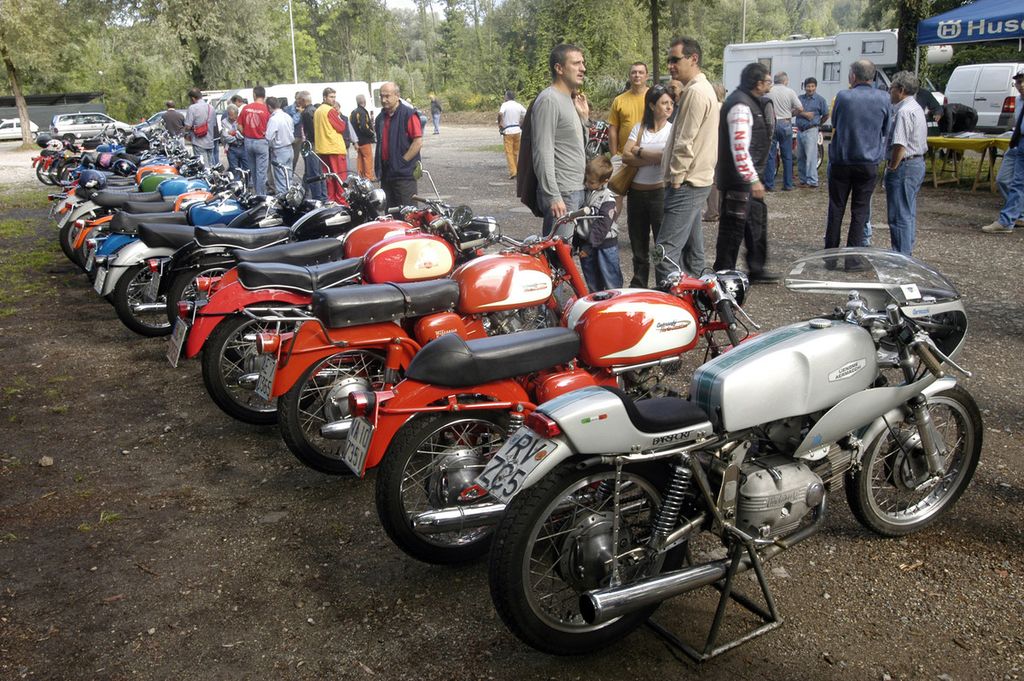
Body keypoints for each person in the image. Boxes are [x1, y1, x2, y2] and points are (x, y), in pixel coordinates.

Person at [655, 36, 720, 283]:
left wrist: (676, 178)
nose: (670, 65)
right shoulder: (701, 89)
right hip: (694, 181)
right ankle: (702, 300)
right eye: (669, 60)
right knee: (694, 256)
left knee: (663, 255)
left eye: (675, 60)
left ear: (693, 59)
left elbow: (685, 140)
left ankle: (667, 304)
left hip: (687, 183)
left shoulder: (695, 92)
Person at [713, 62, 778, 282]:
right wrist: (752, 179)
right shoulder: (740, 106)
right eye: (767, 80)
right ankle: (723, 274)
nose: (770, 84)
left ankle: (756, 269)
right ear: (758, 83)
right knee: (732, 230)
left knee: (756, 224)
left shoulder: (747, 101)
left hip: (746, 179)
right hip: (739, 181)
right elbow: (739, 147)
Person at [824, 60, 891, 250]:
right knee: (860, 211)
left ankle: (831, 252)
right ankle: (853, 255)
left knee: (836, 208)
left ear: (853, 76)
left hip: (842, 159)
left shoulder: (843, 96)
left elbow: (835, 122)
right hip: (868, 161)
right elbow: (886, 128)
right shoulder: (884, 98)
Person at [532, 43, 590, 236]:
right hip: (563, 193)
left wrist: (584, 119)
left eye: (583, 63)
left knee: (569, 250)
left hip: (576, 188)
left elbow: (578, 147)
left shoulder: (570, 99)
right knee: (558, 251)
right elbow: (542, 151)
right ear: (559, 68)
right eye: (576, 63)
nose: (583, 68)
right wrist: (553, 195)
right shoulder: (549, 99)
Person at [620, 84, 673, 287]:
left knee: (661, 243)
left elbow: (667, 158)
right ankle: (639, 283)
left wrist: (640, 152)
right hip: (636, 194)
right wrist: (654, 158)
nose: (669, 107)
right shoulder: (639, 128)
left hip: (660, 193)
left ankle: (662, 283)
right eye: (664, 103)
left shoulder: (672, 130)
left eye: (671, 103)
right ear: (652, 105)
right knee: (638, 242)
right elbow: (626, 156)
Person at [882, 71, 929, 255]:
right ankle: (906, 251)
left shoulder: (904, 112)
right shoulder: (916, 107)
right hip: (916, 163)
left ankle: (901, 256)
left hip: (905, 165)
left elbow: (900, 145)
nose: (890, 92)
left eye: (891, 88)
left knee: (899, 215)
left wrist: (892, 167)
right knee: (908, 212)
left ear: (901, 90)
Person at [982, 68, 1024, 233]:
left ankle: (1007, 220)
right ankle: (1017, 215)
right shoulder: (1018, 100)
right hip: (1017, 142)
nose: (1021, 85)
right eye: (1018, 82)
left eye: (1023, 81)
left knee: (1019, 183)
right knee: (1003, 179)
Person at [576, 155, 623, 292]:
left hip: (605, 245)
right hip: (586, 243)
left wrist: (588, 247)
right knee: (592, 282)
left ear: (605, 181)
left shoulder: (607, 198)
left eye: (591, 182)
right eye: (586, 180)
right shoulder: (585, 193)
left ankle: (615, 303)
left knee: (611, 282)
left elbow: (603, 226)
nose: (587, 184)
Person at [375, 82, 423, 209]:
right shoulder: (380, 118)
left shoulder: (409, 115)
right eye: (381, 96)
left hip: (404, 175)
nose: (383, 100)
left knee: (408, 213)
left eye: (387, 96)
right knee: (390, 213)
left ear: (397, 96)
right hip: (386, 174)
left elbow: (417, 142)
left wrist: (402, 162)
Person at [763, 72, 802, 191]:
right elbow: (800, 108)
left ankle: (769, 184)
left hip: (771, 123)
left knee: (771, 155)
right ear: (785, 80)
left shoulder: (768, 92)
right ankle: (788, 184)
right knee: (787, 155)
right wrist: (791, 114)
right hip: (785, 123)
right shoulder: (790, 92)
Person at [314, 88, 350, 204]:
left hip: (323, 149)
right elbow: (341, 127)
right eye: (331, 97)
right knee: (340, 178)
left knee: (329, 179)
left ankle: (332, 202)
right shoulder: (330, 111)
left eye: (334, 97)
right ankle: (342, 203)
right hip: (335, 148)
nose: (333, 99)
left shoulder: (318, 111)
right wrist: (338, 116)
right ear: (325, 97)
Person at [608, 63, 649, 164]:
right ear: (629, 76)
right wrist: (614, 156)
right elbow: (613, 129)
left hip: (647, 156)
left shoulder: (654, 98)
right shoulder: (619, 100)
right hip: (623, 157)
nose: (637, 75)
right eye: (634, 72)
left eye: (641, 72)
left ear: (647, 76)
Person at [796, 77, 829, 188]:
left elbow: (826, 114)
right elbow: (794, 111)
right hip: (800, 130)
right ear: (804, 87)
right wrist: (805, 114)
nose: (810, 89)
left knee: (811, 157)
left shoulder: (820, 100)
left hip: (811, 130)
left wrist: (818, 123)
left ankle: (812, 181)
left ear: (816, 87)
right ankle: (803, 180)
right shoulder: (799, 99)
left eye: (812, 86)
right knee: (800, 157)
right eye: (808, 86)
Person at [238, 86, 271, 194]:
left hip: (248, 141)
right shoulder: (266, 109)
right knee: (261, 172)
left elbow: (239, 125)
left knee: (253, 170)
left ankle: (256, 193)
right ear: (264, 96)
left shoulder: (246, 108)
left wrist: (245, 134)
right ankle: (261, 195)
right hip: (261, 142)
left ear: (254, 95)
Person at [266, 97, 296, 193]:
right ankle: (290, 195)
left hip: (279, 149)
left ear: (269, 107)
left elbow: (269, 137)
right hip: (289, 148)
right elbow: (292, 130)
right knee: (288, 176)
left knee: (280, 178)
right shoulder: (287, 116)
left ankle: (283, 197)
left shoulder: (274, 119)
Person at [300, 94, 325, 201]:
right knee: (320, 172)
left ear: (303, 100)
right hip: (319, 143)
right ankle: (323, 196)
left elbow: (311, 131)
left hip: (312, 144)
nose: (298, 103)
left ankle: (317, 197)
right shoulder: (315, 110)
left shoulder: (306, 113)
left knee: (313, 172)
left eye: (299, 100)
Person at [183, 87, 216, 166]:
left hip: (198, 142)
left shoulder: (192, 108)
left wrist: (186, 132)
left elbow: (188, 126)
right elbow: (214, 124)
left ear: (193, 98)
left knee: (203, 167)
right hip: (210, 142)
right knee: (211, 166)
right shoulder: (211, 108)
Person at [498, 90, 526, 180]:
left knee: (509, 152)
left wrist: (500, 122)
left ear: (507, 97)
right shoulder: (518, 105)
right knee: (516, 152)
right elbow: (525, 114)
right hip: (517, 131)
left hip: (508, 131)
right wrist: (522, 123)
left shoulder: (505, 105)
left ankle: (513, 171)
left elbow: (500, 113)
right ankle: (517, 170)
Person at [350, 94, 376, 180]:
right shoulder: (363, 112)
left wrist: (354, 141)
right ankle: (369, 177)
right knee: (368, 158)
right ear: (364, 101)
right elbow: (364, 127)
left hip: (357, 141)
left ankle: (360, 176)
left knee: (360, 159)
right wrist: (372, 133)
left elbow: (351, 127)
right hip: (364, 140)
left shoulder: (353, 112)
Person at [221, 104, 245, 171]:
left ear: (237, 113)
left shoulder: (241, 120)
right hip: (232, 148)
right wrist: (237, 136)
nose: (231, 117)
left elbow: (243, 136)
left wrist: (233, 133)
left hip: (243, 147)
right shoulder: (224, 122)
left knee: (246, 169)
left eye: (233, 115)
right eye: (230, 115)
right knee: (234, 170)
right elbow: (226, 137)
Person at [285, 93, 304, 170]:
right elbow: (292, 122)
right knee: (287, 159)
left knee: (295, 160)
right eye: (298, 98)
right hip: (289, 137)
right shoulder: (287, 109)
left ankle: (291, 174)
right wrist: (299, 113)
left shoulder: (305, 108)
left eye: (301, 99)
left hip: (299, 137)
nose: (299, 101)